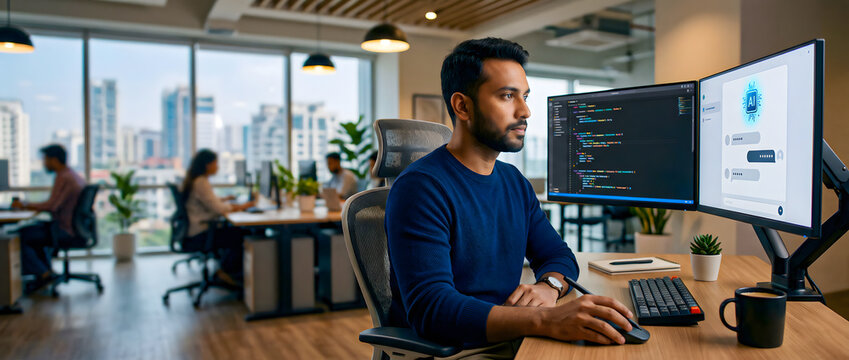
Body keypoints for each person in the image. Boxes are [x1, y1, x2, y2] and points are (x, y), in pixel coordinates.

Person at [385, 38, 634, 358]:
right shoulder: (421, 188)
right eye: (507, 96)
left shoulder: (514, 182)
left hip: (512, 338)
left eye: (525, 96)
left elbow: (559, 255)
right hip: (457, 351)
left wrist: (550, 288)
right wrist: (543, 319)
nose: (525, 110)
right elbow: (433, 310)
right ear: (463, 106)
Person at [11, 144, 85, 290]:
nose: (44, 163)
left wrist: (25, 205)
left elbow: (52, 206)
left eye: (45, 159)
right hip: (71, 227)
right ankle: (45, 272)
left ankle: (43, 273)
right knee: (31, 232)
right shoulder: (72, 175)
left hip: (63, 229)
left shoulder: (63, 177)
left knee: (19, 236)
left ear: (54, 160)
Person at [181, 149, 255, 285]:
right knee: (241, 235)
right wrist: (242, 207)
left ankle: (230, 270)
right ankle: (226, 271)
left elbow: (208, 202)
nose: (217, 166)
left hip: (197, 230)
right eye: (216, 163)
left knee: (236, 231)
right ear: (207, 165)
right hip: (201, 233)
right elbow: (219, 209)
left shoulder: (196, 180)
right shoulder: (201, 182)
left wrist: (224, 200)